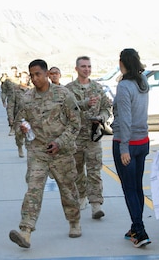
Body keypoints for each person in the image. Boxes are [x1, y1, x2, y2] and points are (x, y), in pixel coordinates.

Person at [9, 59, 82, 248]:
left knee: (68, 190)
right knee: (33, 190)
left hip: (61, 152)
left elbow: (75, 124)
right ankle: (26, 231)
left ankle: (74, 221)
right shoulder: (27, 98)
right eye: (31, 75)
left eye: (38, 74)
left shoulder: (63, 95)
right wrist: (23, 128)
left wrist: (60, 142)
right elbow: (19, 122)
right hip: (38, 152)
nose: (34, 79)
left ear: (47, 73)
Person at [112, 48, 151, 248]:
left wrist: (124, 147)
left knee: (129, 189)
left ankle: (140, 230)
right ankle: (135, 226)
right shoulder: (143, 82)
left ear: (122, 63)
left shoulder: (125, 86)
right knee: (136, 187)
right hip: (143, 142)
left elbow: (125, 119)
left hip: (126, 142)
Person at [65, 56, 112, 219]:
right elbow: (65, 111)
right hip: (75, 138)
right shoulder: (68, 89)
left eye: (89, 66)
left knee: (94, 171)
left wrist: (102, 118)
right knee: (76, 171)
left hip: (93, 137)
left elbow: (107, 108)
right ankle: (81, 196)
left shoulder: (98, 88)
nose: (87, 69)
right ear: (76, 68)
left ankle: (96, 205)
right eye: (83, 66)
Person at [7, 71, 32, 157]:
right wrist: (10, 118)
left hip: (30, 117)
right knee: (19, 135)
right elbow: (10, 105)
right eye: (23, 77)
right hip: (19, 117)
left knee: (29, 135)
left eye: (26, 77)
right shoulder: (15, 90)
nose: (25, 79)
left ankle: (29, 151)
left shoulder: (32, 89)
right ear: (20, 78)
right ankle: (20, 147)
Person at [2, 66, 21, 136]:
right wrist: (3, 100)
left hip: (19, 101)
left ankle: (17, 129)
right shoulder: (7, 80)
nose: (14, 73)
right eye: (13, 71)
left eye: (15, 71)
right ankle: (12, 128)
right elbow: (4, 91)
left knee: (18, 115)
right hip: (11, 100)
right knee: (10, 115)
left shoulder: (20, 80)